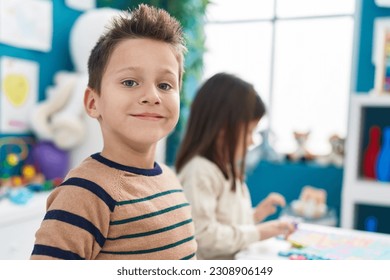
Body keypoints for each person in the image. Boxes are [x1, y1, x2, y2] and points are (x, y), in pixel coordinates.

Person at [30, 4, 197, 260]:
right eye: (130, 82)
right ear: (93, 102)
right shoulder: (85, 193)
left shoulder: (170, 179)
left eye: (165, 85)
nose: (152, 96)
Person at [175, 72, 295, 260]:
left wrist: (256, 215)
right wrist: (259, 232)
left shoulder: (227, 169)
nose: (252, 140)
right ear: (223, 128)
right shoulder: (199, 172)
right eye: (249, 131)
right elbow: (203, 236)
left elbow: (229, 224)